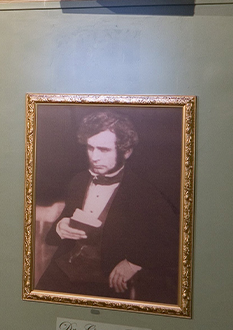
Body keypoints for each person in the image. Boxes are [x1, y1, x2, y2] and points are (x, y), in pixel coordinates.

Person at [37, 111, 179, 304]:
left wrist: (134, 263)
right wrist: (61, 227)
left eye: (103, 150)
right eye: (90, 148)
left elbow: (174, 244)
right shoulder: (79, 181)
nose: (94, 157)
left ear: (126, 152)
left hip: (106, 282)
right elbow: (55, 233)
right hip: (62, 273)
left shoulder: (143, 192)